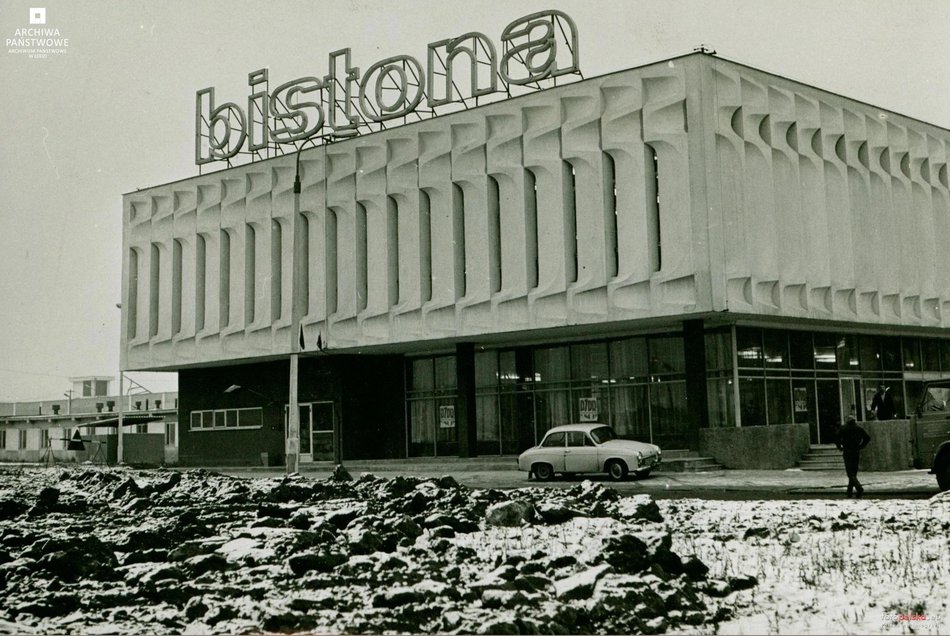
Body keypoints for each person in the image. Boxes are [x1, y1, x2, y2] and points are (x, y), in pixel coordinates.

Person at [836, 416, 871, 498]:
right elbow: (867, 438)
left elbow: (836, 438)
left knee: (849, 472)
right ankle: (849, 491)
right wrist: (861, 446)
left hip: (847, 451)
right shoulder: (858, 429)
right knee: (854, 472)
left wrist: (839, 446)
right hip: (855, 451)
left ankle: (859, 488)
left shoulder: (843, 429)